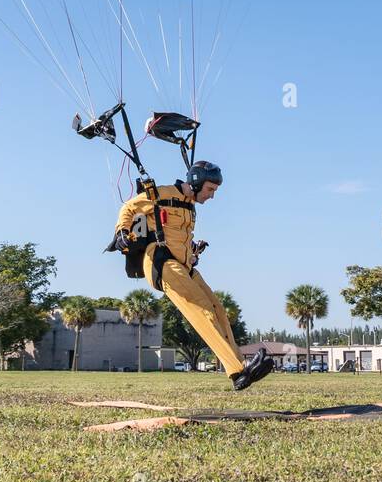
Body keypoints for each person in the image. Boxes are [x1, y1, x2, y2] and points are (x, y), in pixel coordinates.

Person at [112, 160, 274, 391]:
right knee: (202, 311)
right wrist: (122, 232)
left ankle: (243, 365)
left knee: (218, 309)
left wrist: (193, 250)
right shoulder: (161, 193)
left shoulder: (190, 206)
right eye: (210, 189)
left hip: (184, 266)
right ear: (196, 182)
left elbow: (178, 236)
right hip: (162, 262)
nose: (212, 196)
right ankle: (237, 369)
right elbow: (128, 208)